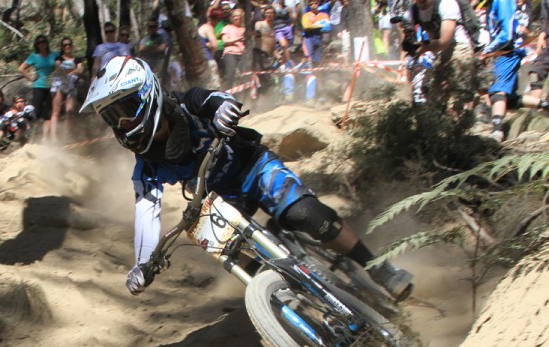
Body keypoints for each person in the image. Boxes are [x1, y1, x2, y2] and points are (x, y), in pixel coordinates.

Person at [79, 56, 414, 300]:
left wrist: (224, 109)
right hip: (219, 200)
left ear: (148, 95)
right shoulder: (146, 166)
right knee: (212, 239)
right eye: (112, 117)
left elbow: (212, 99)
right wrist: (142, 262)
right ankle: (283, 299)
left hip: (253, 167)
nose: (122, 123)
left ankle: (378, 268)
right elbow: (146, 211)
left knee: (307, 215)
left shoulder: (186, 107)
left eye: (125, 109)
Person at [479, 0, 526, 142]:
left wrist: (487, 51)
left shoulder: (503, 1)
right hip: (502, 52)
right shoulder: (492, 3)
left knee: (496, 91)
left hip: (508, 51)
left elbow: (506, 34)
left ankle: (496, 132)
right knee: (511, 100)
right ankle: (547, 106)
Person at [521, 0, 549, 115]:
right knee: (535, 74)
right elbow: (545, 17)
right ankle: (534, 115)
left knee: (536, 73)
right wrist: (542, 35)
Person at [19, 34, 59, 129]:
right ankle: (31, 130)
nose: (42, 44)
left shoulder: (55, 55)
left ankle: (45, 136)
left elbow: (64, 62)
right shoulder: (34, 56)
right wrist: (31, 78)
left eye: (44, 41)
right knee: (35, 110)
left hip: (52, 86)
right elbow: (21, 68)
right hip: (39, 86)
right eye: (39, 42)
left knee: (48, 112)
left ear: (47, 43)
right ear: (36, 45)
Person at [49, 37, 85, 143]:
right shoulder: (59, 58)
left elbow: (81, 70)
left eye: (69, 44)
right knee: (56, 111)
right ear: (62, 47)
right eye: (64, 45)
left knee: (69, 111)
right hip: (60, 83)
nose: (67, 46)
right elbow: (59, 69)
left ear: (72, 45)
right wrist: (74, 70)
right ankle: (54, 137)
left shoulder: (77, 59)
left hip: (71, 85)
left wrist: (71, 71)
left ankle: (65, 136)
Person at [220, 7, 247, 90]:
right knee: (230, 75)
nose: (237, 18)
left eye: (239, 16)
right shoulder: (227, 28)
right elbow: (225, 41)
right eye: (235, 16)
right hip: (230, 53)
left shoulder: (245, 29)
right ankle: (227, 95)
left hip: (242, 53)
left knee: (246, 75)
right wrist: (238, 39)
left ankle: (244, 97)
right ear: (231, 18)